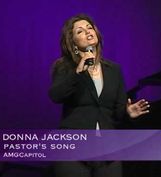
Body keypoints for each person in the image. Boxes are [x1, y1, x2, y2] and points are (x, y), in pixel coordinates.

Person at [49, 14, 150, 177]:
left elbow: (117, 113)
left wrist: (128, 112)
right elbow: (56, 96)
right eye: (80, 31)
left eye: (89, 27)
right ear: (73, 43)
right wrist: (79, 72)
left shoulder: (113, 70)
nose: (88, 32)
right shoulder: (65, 67)